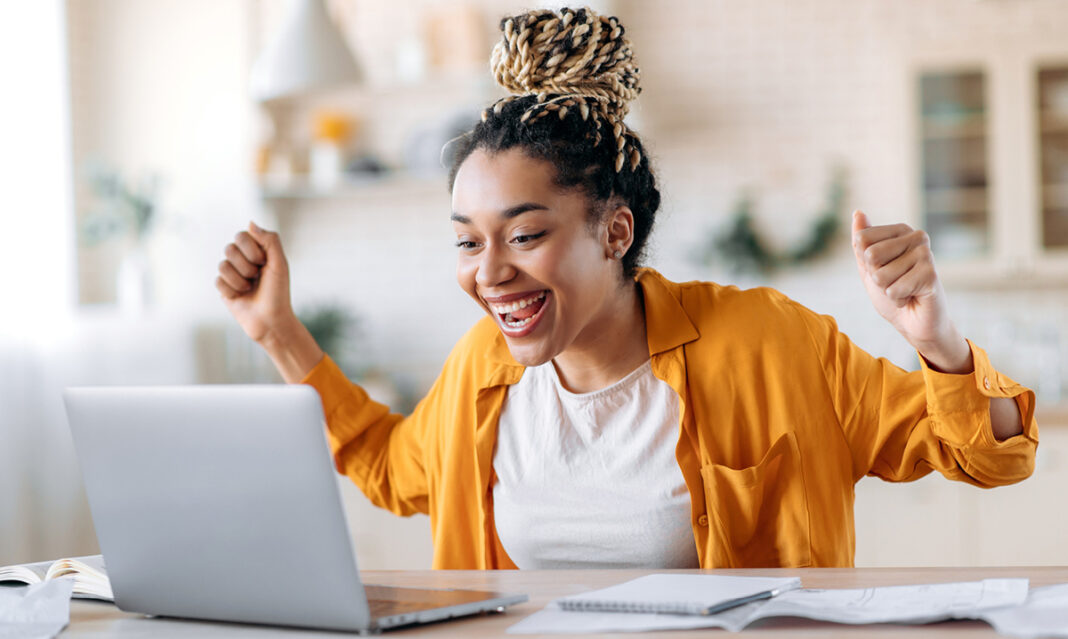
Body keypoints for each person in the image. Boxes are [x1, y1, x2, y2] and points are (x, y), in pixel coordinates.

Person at [216, 7, 1037, 569]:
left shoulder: (769, 340)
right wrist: (277, 331)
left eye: (525, 235)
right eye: (468, 241)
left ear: (614, 232)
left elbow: (988, 453)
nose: (489, 272)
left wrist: (935, 340)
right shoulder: (482, 371)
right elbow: (390, 466)